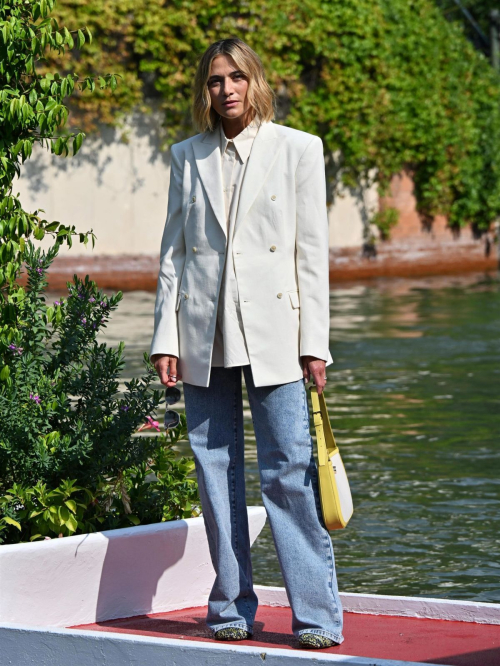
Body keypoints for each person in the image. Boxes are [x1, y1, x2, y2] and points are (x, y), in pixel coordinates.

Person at [150, 37, 343, 649]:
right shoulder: (187, 155)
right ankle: (230, 604)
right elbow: (173, 254)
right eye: (215, 80)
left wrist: (316, 342)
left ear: (255, 81)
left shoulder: (297, 149)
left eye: (236, 77)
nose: (226, 88)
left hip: (279, 336)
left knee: (289, 473)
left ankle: (316, 616)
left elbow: (311, 255)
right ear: (205, 90)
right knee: (214, 472)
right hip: (203, 335)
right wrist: (165, 336)